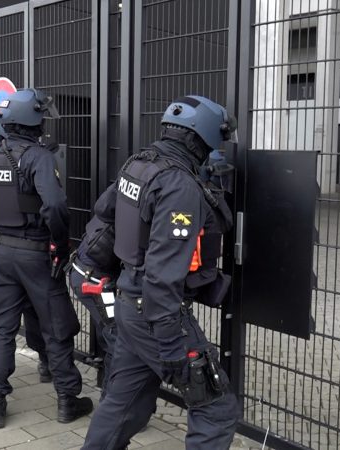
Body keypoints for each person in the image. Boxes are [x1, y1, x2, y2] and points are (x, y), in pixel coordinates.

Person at [82, 96, 240, 450]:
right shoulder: (180, 185)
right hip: (155, 313)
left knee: (125, 405)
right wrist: (170, 343)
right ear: (203, 136)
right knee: (216, 408)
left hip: (129, 304)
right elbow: (163, 274)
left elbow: (104, 208)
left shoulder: (139, 163)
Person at [0, 88, 92, 429]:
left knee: (2, 327)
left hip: (2, 253)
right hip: (36, 252)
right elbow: (54, 206)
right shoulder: (38, 157)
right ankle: (67, 400)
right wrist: (60, 244)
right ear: (33, 121)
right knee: (56, 327)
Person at [0, 154, 53, 384]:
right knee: (41, 311)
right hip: (31, 247)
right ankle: (48, 363)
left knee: (1, 320)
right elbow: (54, 206)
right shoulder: (36, 159)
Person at [68, 192, 119, 398]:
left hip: (86, 273)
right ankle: (113, 404)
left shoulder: (125, 186)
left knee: (111, 335)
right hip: (95, 281)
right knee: (118, 339)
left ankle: (112, 400)